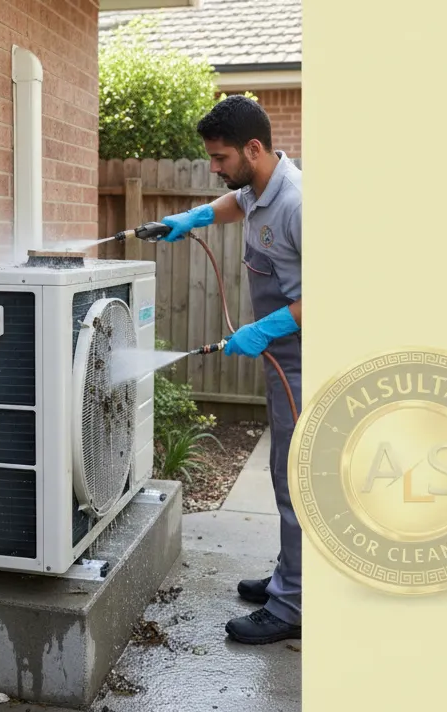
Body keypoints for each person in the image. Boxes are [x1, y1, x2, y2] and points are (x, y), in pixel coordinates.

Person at [157, 95, 302, 645]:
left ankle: (293, 605)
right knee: (284, 472)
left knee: (296, 478)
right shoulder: (260, 189)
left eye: (220, 158)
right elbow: (236, 202)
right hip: (282, 354)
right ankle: (290, 577)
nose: (214, 168)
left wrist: (265, 329)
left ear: (254, 148)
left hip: (303, 355)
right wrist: (194, 217)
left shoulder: (298, 204)